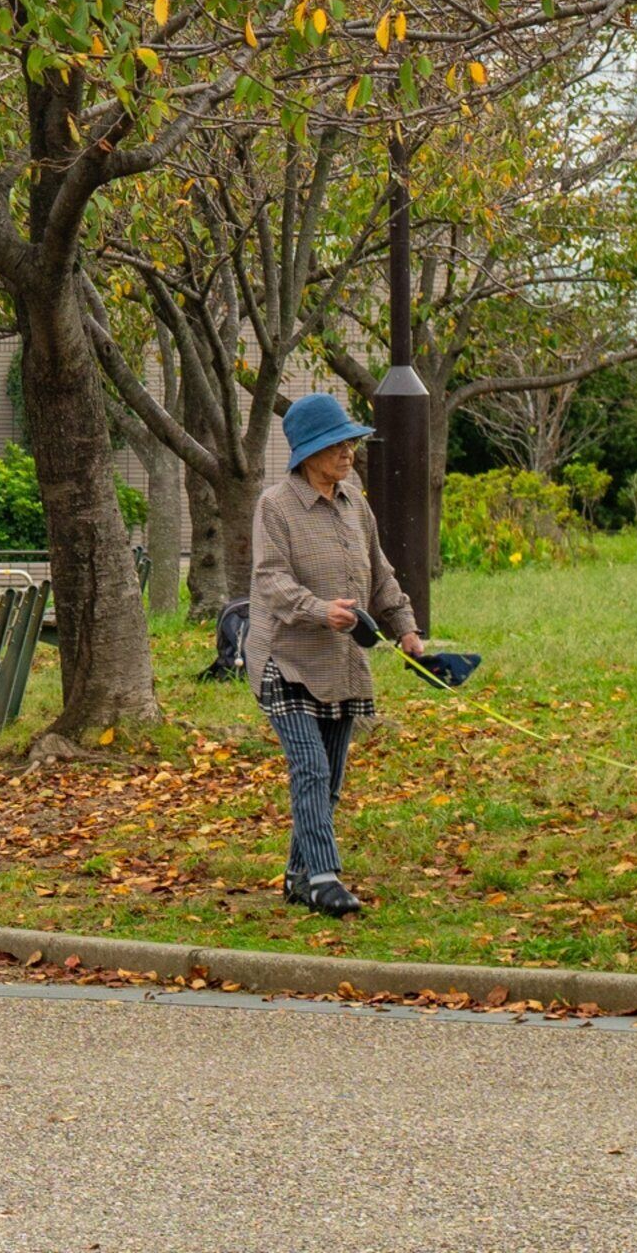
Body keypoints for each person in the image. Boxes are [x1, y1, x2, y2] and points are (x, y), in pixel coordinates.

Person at [246, 390, 424, 917]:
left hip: (340, 663)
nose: (348, 452)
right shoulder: (275, 506)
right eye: (337, 444)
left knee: (332, 778)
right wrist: (321, 610)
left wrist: (407, 630)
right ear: (307, 453)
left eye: (350, 442)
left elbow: (382, 576)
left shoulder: (356, 507)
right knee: (311, 770)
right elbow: (270, 582)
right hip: (286, 660)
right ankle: (324, 879)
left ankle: (299, 875)